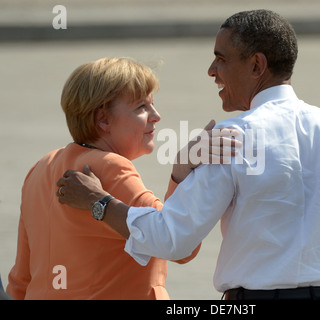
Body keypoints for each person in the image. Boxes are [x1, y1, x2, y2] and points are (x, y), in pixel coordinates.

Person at [56, 11, 320, 300]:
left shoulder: (232, 138)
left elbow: (173, 238)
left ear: (257, 66)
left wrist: (98, 202)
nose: (212, 72)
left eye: (221, 59)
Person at [7, 57, 237, 300]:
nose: (156, 116)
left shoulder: (41, 167)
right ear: (103, 119)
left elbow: (21, 277)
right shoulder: (109, 166)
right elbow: (178, 243)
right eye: (141, 107)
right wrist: (180, 172)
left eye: (152, 104)